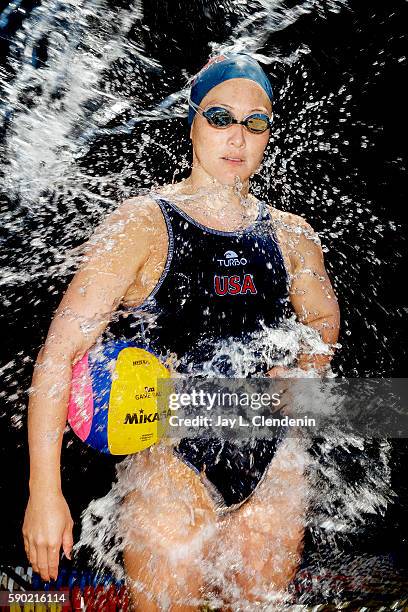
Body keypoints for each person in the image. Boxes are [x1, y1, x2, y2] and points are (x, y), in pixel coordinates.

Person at [22, 52, 340, 610]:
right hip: (170, 467)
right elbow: (58, 356)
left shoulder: (292, 235)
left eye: (254, 122)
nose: (236, 137)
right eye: (220, 117)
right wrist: (44, 492)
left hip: (270, 472)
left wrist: (304, 367)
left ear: (268, 136)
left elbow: (323, 322)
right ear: (192, 122)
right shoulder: (141, 223)